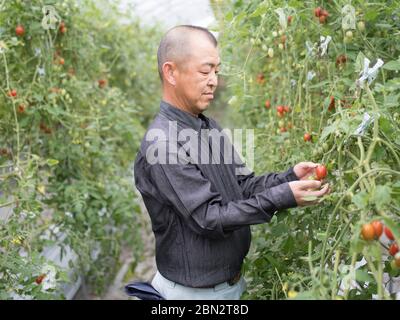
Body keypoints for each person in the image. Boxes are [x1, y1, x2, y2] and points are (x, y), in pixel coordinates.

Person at [133, 25, 330, 300]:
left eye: (216, 70)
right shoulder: (163, 143)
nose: (214, 80)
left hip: (230, 287)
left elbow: (243, 185)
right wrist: (281, 197)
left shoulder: (207, 127)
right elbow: (208, 218)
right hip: (195, 296)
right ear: (171, 72)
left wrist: (289, 178)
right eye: (205, 71)